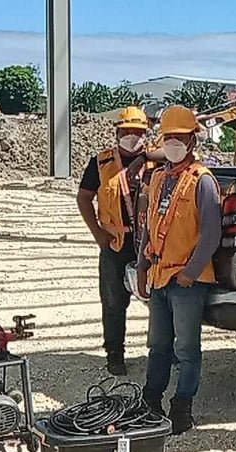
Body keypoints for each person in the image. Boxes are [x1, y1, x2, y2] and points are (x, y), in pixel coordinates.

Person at [136, 104, 221, 436]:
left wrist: (191, 271)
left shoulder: (203, 182)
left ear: (192, 141)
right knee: (158, 346)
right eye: (168, 137)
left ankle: (182, 407)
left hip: (187, 280)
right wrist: (143, 267)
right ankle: (151, 401)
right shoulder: (158, 178)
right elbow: (148, 228)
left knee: (186, 349)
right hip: (159, 276)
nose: (173, 143)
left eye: (179, 137)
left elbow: (211, 233)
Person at [78, 106, 152, 376]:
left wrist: (144, 157)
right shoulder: (101, 162)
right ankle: (115, 353)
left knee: (160, 300)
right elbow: (84, 198)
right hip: (116, 242)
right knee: (112, 300)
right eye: (127, 132)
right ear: (117, 133)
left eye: (138, 132)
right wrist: (98, 233)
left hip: (150, 242)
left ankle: (163, 350)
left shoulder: (156, 161)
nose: (132, 136)